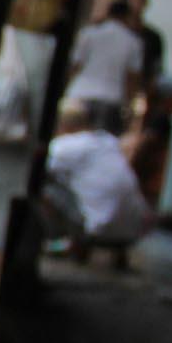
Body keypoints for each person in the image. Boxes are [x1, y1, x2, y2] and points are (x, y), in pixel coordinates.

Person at [50, 98, 156, 260]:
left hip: (100, 230)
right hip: (135, 231)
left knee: (45, 188)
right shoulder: (107, 141)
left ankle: (73, 243)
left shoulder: (66, 145)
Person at [66, 0, 151, 113]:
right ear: (127, 17)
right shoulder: (134, 42)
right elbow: (132, 77)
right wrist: (129, 104)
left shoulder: (88, 34)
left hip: (81, 92)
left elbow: (75, 64)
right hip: (111, 97)